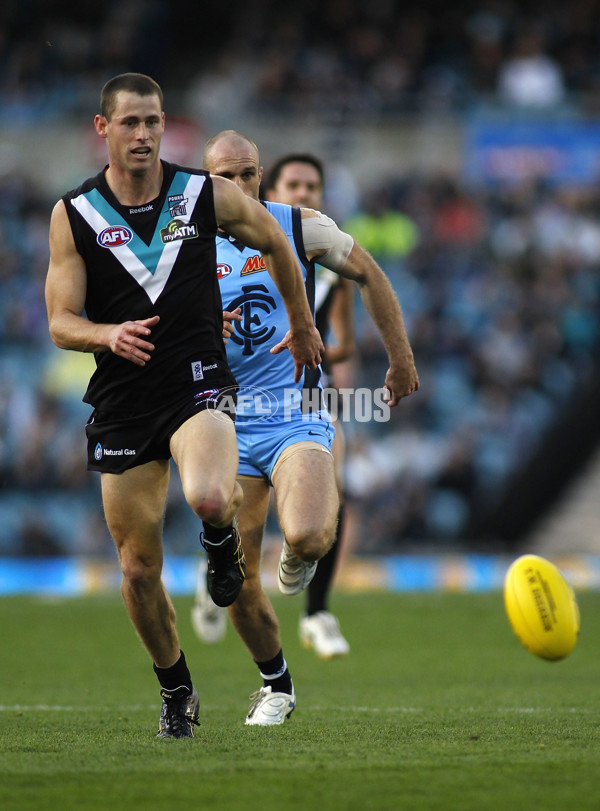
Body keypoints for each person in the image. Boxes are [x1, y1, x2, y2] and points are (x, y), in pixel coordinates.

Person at [44, 74, 323, 739]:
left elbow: (277, 240)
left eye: (153, 122)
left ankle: (219, 547)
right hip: (122, 394)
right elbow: (60, 319)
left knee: (207, 496)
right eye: (130, 123)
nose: (143, 135)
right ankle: (177, 689)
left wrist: (304, 321)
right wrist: (104, 333)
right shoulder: (75, 214)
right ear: (102, 128)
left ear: (166, 126)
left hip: (197, 380)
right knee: (138, 570)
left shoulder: (203, 194)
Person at [194, 130, 419, 726]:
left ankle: (302, 554)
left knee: (313, 536)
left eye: (248, 175)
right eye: (225, 177)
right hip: (221, 422)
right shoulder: (181, 243)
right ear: (204, 179)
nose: (238, 187)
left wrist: (400, 358)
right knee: (236, 572)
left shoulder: (297, 226)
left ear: (260, 176)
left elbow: (368, 273)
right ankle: (276, 686)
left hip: (295, 411)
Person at [191, 153, 355, 659]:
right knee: (238, 515)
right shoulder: (219, 246)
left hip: (302, 385)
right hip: (234, 397)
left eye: (313, 186)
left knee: (330, 489)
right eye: (294, 185)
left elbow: (345, 341)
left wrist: (313, 340)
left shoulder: (326, 259)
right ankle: (218, 568)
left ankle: (316, 609)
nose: (303, 194)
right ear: (273, 189)